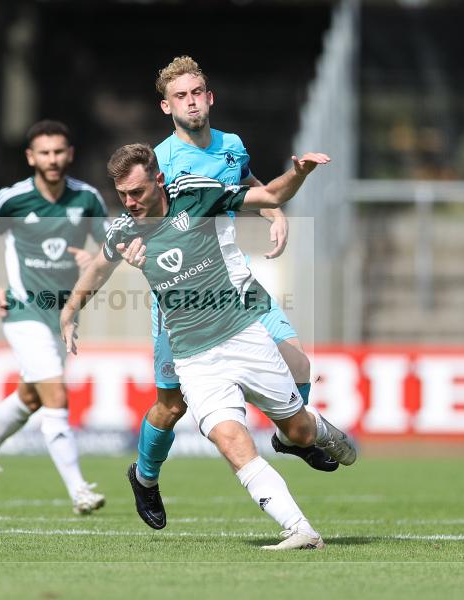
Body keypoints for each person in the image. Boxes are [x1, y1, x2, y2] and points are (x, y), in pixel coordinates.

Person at [61, 143, 356, 550]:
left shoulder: (199, 195)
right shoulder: (126, 231)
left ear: (159, 181)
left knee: (298, 430)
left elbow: (269, 196)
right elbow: (98, 266)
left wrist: (300, 174)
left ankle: (319, 431)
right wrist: (70, 310)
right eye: (122, 194)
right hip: (195, 360)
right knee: (230, 440)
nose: (129, 203)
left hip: (244, 336)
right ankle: (299, 529)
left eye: (137, 193)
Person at [123, 56, 336, 531]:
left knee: (298, 360)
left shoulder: (232, 145)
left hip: (237, 283)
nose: (192, 101)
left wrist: (274, 213)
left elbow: (246, 186)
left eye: (198, 92)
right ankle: (145, 476)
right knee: (172, 406)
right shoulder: (162, 163)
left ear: (210, 96)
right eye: (181, 96)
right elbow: (144, 217)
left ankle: (291, 437)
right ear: (166, 106)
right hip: (182, 303)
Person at [0, 119, 108, 515]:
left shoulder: (88, 200)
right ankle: (79, 489)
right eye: (44, 152)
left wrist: (91, 259)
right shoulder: (11, 199)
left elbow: (112, 251)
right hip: (23, 307)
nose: (52, 159)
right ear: (31, 157)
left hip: (63, 314)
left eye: (59, 151)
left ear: (70, 154)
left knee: (31, 395)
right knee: (56, 395)